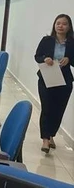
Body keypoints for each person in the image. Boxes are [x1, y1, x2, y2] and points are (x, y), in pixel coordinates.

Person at [34, 14, 74, 154]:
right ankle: (45, 139)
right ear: (54, 25)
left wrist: (69, 59)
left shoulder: (72, 43)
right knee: (47, 108)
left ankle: (51, 134)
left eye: (64, 24)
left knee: (58, 110)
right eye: (58, 23)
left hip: (64, 81)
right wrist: (45, 59)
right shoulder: (47, 40)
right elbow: (37, 56)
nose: (60, 26)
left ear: (69, 27)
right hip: (47, 79)